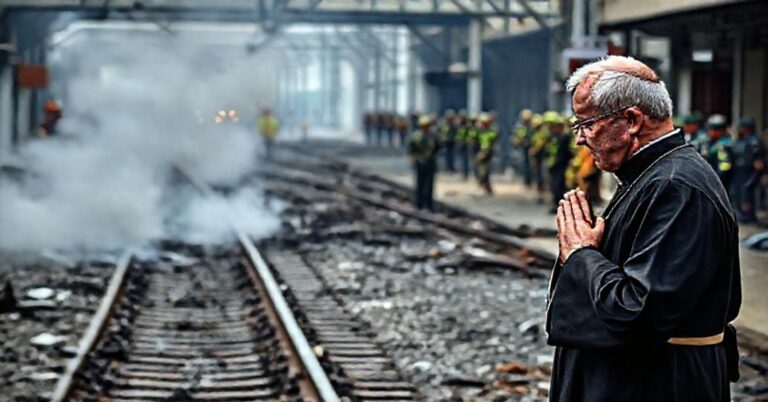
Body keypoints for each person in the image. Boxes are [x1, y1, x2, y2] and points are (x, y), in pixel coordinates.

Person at [548, 56, 741, 402]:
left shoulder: (677, 187)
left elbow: (639, 312)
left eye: (586, 124)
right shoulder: (650, 175)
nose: (579, 139)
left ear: (632, 121)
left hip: (657, 384)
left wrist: (582, 255)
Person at [732, 117, 765, 222]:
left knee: (747, 193)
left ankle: (748, 215)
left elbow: (758, 159)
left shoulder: (754, 140)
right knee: (738, 193)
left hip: (749, 173)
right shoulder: (741, 140)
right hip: (739, 172)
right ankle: (742, 214)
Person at [408, 115, 439, 211]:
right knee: (420, 184)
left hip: (429, 162)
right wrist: (413, 159)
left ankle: (428, 205)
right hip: (420, 162)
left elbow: (438, 147)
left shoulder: (433, 136)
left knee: (429, 185)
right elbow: (411, 150)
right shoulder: (417, 136)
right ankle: (419, 204)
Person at [545, 115, 573, 213]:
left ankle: (560, 205)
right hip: (555, 165)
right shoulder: (555, 137)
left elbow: (564, 153)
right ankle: (557, 205)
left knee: (559, 186)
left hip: (561, 165)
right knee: (555, 185)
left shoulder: (564, 137)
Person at [704, 114, 734, 189]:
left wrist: (716, 181)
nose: (710, 132)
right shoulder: (709, 142)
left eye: (713, 130)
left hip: (719, 183)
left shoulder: (724, 145)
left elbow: (724, 166)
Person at [474, 113, 498, 195]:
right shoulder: (480, 131)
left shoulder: (490, 131)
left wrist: (487, 152)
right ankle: (487, 188)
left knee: (484, 171)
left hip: (487, 152)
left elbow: (492, 141)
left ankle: (484, 187)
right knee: (481, 170)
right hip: (482, 151)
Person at [512, 109, 534, 186]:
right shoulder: (520, 126)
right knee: (525, 164)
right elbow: (517, 135)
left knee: (531, 165)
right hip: (524, 147)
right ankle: (527, 181)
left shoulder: (533, 126)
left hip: (532, 148)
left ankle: (530, 181)